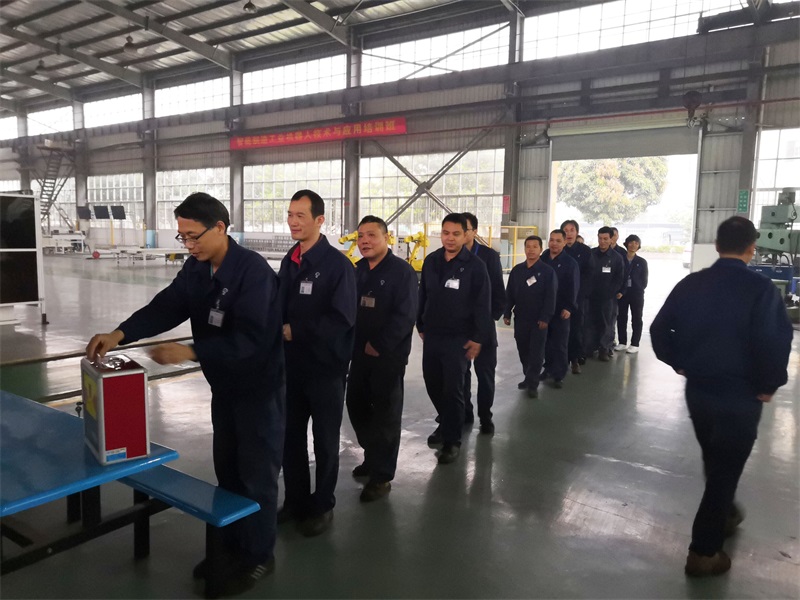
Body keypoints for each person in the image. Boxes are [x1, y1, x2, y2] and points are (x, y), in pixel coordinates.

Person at [85, 192, 284, 596]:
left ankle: (259, 556)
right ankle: (232, 544)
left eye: (194, 236)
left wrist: (192, 352)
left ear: (220, 228)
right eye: (183, 237)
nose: (188, 245)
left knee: (256, 476)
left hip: (258, 391)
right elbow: (167, 306)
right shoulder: (196, 269)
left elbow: (253, 340)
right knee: (228, 471)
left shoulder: (253, 273)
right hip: (224, 387)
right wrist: (120, 333)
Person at [650, 216, 792, 577]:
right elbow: (774, 341)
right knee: (725, 470)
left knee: (715, 458)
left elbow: (658, 329)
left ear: (716, 246)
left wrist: (680, 362)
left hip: (698, 392)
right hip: (739, 396)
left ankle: (725, 513)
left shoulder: (691, 284)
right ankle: (704, 551)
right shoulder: (761, 290)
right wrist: (768, 385)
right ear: (751, 249)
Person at [278, 189, 356, 537]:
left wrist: (297, 330)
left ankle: (323, 504)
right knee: (290, 438)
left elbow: (342, 318)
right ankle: (295, 500)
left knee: (325, 441)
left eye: (301, 216)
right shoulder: (290, 260)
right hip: (291, 367)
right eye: (290, 214)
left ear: (319, 220)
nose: (293, 222)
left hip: (325, 370)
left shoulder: (338, 266)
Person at [346, 215, 418, 502]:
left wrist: (380, 344)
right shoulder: (358, 270)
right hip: (358, 354)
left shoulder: (402, 272)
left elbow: (406, 314)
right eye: (361, 236)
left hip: (387, 356)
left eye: (371, 235)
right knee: (356, 405)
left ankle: (382, 476)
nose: (365, 241)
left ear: (386, 238)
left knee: (386, 414)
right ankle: (372, 455)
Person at [417, 213, 491, 464]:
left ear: (466, 235)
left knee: (453, 389)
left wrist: (478, 337)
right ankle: (447, 421)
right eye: (446, 233)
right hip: (432, 335)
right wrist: (420, 323)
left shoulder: (475, 266)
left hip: (458, 338)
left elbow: (483, 304)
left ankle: (452, 440)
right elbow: (423, 294)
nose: (450, 238)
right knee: (433, 383)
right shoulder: (432, 260)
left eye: (456, 234)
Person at [460, 212, 506, 435]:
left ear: (474, 232)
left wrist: (489, 320)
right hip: (460, 327)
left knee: (485, 373)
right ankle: (465, 412)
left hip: (484, 326)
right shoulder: (451, 257)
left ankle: (485, 416)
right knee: (461, 374)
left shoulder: (488, 256)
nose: (458, 235)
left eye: (464, 230)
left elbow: (498, 290)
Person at [503, 235, 557, 399]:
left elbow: (551, 297)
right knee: (523, 349)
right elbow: (510, 293)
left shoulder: (547, 272)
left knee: (536, 352)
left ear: (541, 249)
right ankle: (528, 375)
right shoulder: (517, 270)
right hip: (521, 318)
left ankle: (533, 383)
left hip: (538, 320)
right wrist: (507, 312)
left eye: (535, 247)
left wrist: (545, 317)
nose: (531, 250)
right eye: (528, 246)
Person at [540, 229, 580, 388]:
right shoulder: (543, 259)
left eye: (558, 241)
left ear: (564, 243)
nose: (554, 243)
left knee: (560, 344)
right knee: (545, 342)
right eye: (551, 240)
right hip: (544, 309)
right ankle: (548, 368)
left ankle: (559, 375)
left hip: (561, 310)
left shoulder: (570, 263)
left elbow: (574, 287)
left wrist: (569, 307)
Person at [584, 226, 624, 361]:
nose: (602, 241)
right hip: (590, 297)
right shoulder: (590, 254)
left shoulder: (617, 258)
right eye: (600, 238)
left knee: (607, 324)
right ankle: (589, 347)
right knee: (590, 322)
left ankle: (604, 349)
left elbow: (619, 278)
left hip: (608, 298)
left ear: (611, 239)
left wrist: (610, 293)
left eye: (605, 239)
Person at [561, 219, 594, 373]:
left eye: (572, 230)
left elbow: (589, 276)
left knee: (575, 329)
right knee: (557, 331)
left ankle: (574, 359)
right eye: (566, 230)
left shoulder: (585, 251)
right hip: (559, 298)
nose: (569, 233)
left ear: (577, 232)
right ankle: (556, 361)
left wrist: (579, 296)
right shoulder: (557, 250)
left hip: (578, 298)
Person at [615, 234, 648, 354]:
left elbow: (644, 280)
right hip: (622, 293)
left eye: (636, 243)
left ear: (639, 246)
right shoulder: (621, 259)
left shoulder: (641, 262)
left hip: (636, 294)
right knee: (621, 317)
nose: (633, 245)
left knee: (637, 318)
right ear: (627, 244)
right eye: (631, 242)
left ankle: (635, 343)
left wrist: (639, 288)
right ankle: (622, 342)